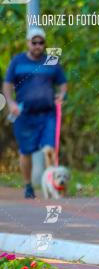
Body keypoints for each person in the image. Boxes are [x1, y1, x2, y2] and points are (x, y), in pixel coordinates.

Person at [3, 27, 67, 199]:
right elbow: (7, 84)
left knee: (49, 149)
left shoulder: (51, 61)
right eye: (34, 42)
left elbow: (62, 83)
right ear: (28, 43)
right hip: (24, 114)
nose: (38, 45)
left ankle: (52, 185)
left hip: (48, 114)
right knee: (26, 152)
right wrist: (10, 102)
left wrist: (62, 95)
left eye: (41, 42)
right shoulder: (17, 61)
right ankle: (28, 185)